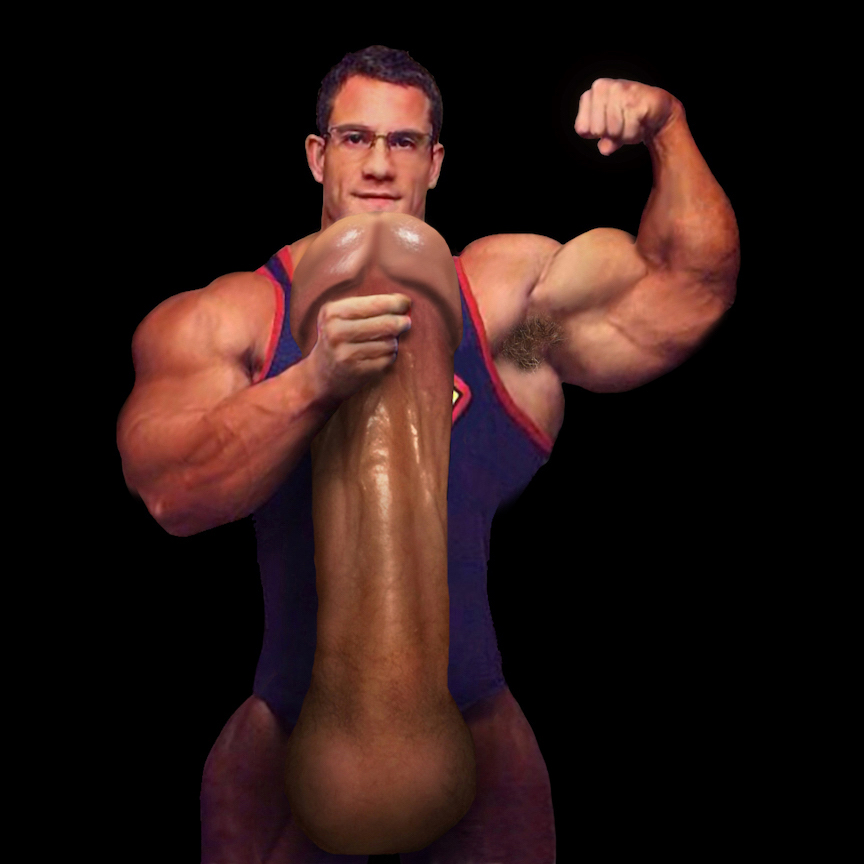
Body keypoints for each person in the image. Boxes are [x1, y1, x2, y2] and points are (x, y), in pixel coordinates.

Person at [117, 44, 739, 864]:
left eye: (404, 142)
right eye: (356, 138)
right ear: (318, 156)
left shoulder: (512, 332)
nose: (379, 165)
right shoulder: (235, 323)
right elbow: (172, 492)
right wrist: (313, 384)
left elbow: (687, 289)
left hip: (477, 737)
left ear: (435, 163)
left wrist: (667, 127)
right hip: (286, 745)